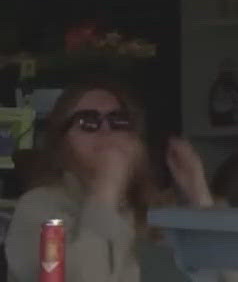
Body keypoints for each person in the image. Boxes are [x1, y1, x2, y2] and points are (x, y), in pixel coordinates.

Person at [3, 82, 215, 282]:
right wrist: (106, 188)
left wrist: (199, 194)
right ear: (62, 143)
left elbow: (235, 275)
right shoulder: (39, 207)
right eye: (88, 121)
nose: (106, 130)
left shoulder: (158, 208)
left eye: (119, 120)